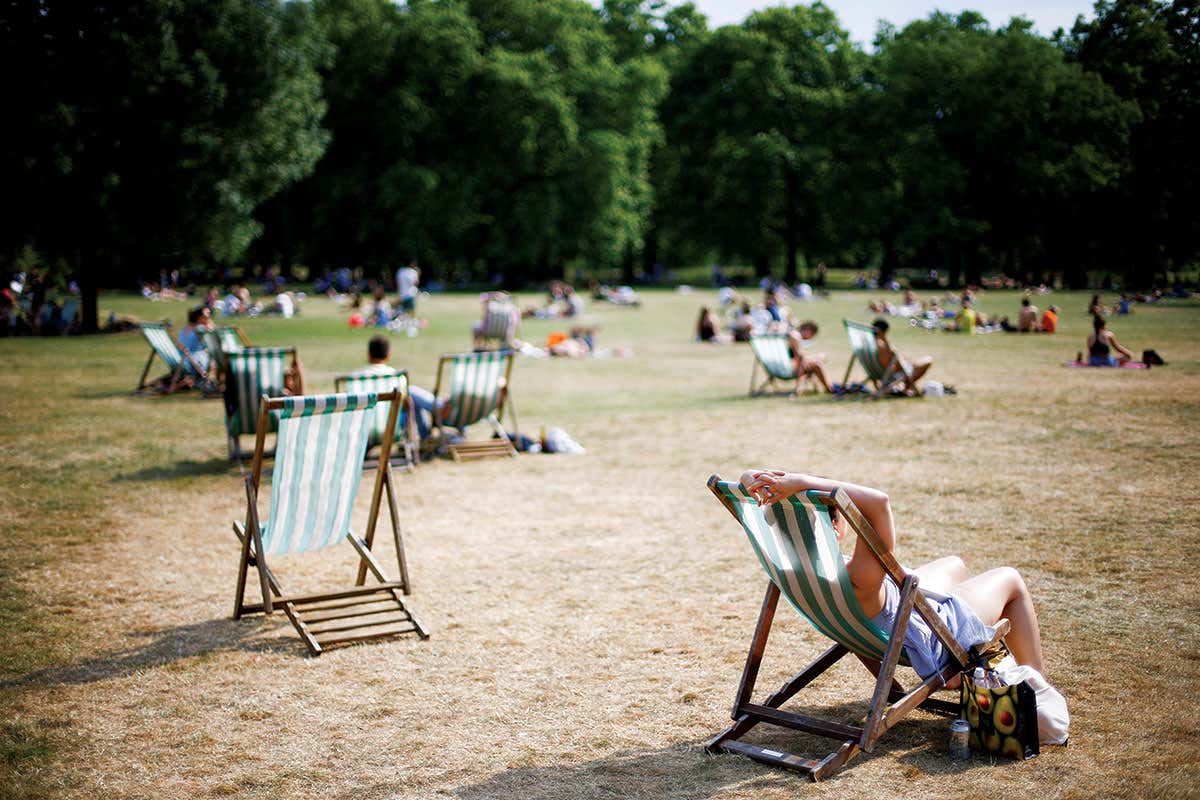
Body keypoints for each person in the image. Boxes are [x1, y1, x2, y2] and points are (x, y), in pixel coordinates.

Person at [739, 469, 1047, 681]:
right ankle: (1038, 689)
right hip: (931, 632)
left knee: (955, 564)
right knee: (1010, 578)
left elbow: (747, 476)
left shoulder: (792, 567)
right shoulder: (859, 577)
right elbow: (879, 502)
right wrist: (805, 481)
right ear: (833, 526)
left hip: (878, 616)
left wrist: (776, 480)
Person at [873, 318, 931, 394]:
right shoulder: (883, 347)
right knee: (928, 360)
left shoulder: (873, 344)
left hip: (892, 371)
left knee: (921, 361)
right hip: (898, 373)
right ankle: (908, 386)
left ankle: (907, 386)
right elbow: (894, 366)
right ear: (885, 331)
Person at [786, 320, 832, 394]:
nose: (811, 338)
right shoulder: (795, 336)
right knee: (817, 364)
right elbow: (799, 356)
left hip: (792, 364)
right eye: (813, 334)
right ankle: (829, 389)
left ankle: (829, 388)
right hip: (793, 366)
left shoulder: (793, 335)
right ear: (808, 330)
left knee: (821, 357)